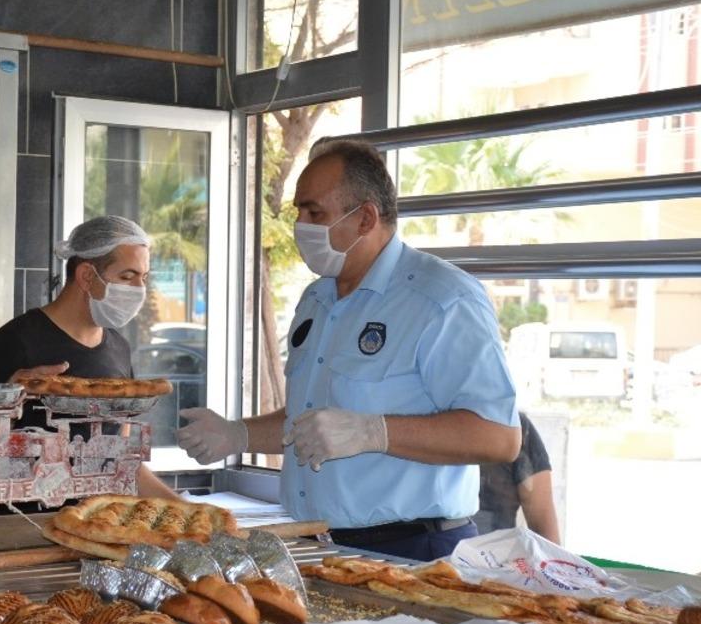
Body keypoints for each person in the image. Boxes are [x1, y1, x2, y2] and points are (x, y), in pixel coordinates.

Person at [176, 139, 520, 561]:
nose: (300, 225)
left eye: (314, 213)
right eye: (298, 212)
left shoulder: (442, 300)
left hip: (413, 549)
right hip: (317, 545)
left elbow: (499, 437)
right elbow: (317, 420)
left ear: (366, 218)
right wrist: (238, 434)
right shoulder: (317, 299)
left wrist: (374, 432)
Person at [0, 215, 178, 499]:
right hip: (25, 522)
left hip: (96, 521)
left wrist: (183, 507)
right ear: (86, 276)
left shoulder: (118, 348)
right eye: (127, 277)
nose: (139, 290)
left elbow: (121, 460)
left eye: (143, 278)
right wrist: (9, 398)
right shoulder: (17, 341)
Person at [477, 412, 561, 543]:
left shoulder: (516, 427)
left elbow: (546, 534)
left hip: (497, 556)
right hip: (441, 553)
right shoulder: (435, 427)